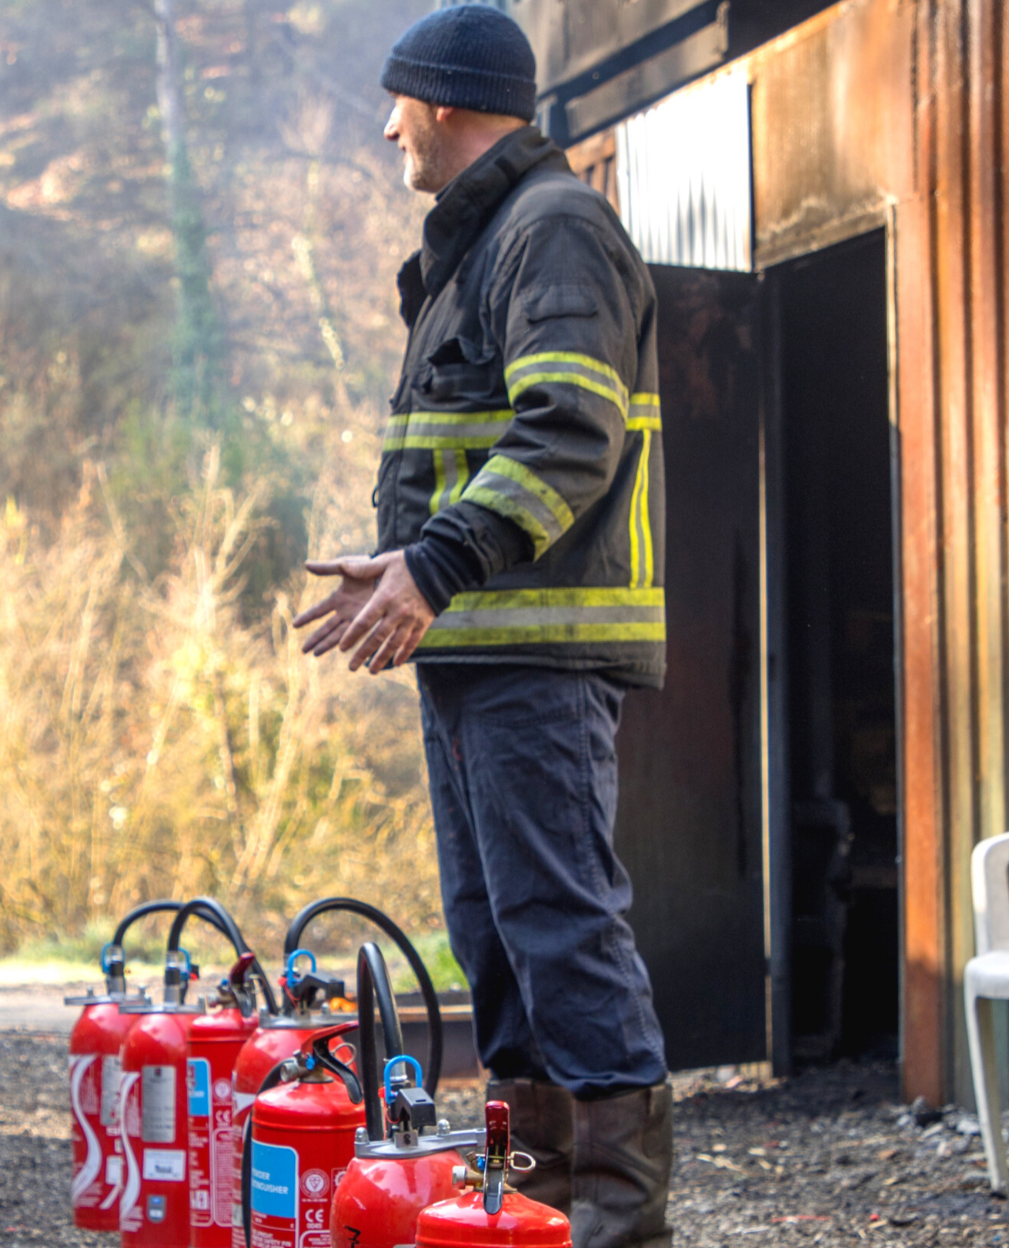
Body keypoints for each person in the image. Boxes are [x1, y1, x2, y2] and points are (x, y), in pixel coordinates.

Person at [293, 7, 672, 1246]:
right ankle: (538, 1204)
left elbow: (566, 432)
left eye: (399, 100)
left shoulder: (552, 235)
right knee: (498, 937)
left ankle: (614, 1221)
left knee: (558, 924)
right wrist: (402, 569)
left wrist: (436, 563)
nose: (387, 123)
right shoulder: (485, 243)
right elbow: (483, 446)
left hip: (535, 658)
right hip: (474, 649)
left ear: (448, 102)